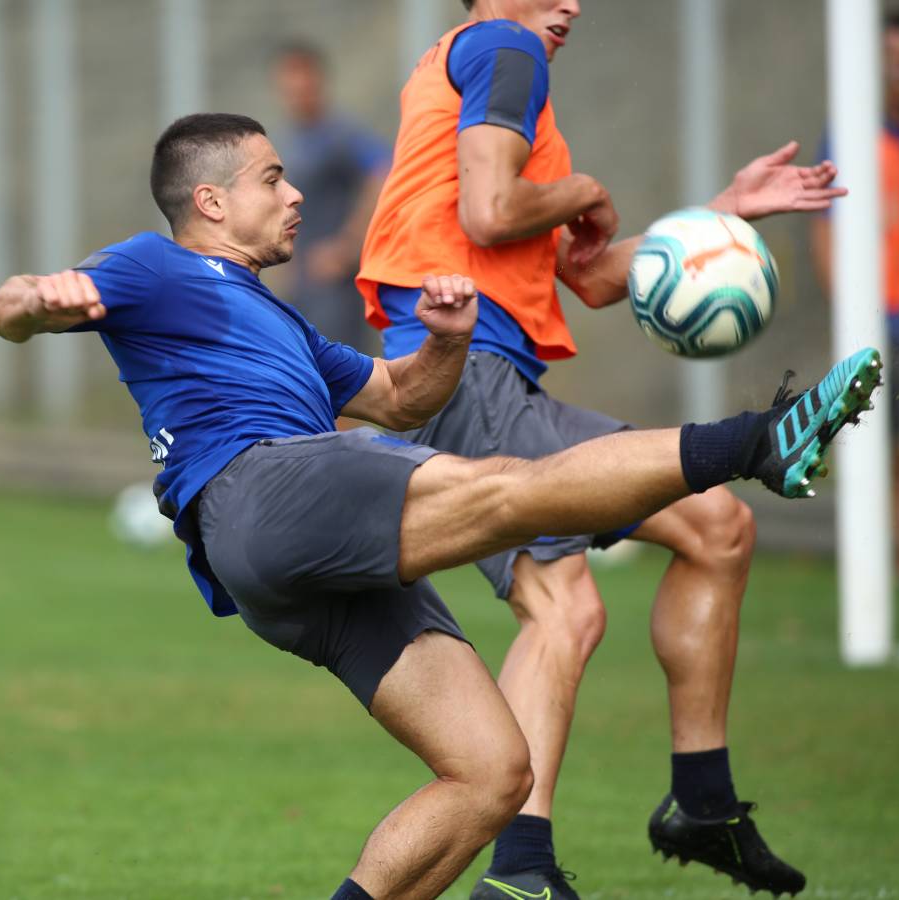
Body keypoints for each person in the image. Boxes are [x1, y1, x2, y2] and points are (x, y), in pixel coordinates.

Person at [0, 112, 879, 900]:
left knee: (492, 774)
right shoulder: (155, 264)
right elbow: (10, 308)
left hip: (289, 563)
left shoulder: (284, 324)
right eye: (271, 178)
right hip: (260, 486)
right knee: (505, 491)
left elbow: (402, 398)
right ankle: (763, 440)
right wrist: (36, 299)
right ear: (211, 202)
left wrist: (447, 343)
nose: (296, 194)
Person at [355, 2, 849, 898]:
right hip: (462, 369)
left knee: (716, 527)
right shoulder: (503, 48)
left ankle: (701, 803)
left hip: (486, 374)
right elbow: (493, 208)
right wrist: (581, 190)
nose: (572, 3)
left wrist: (722, 217)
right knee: (563, 605)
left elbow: (585, 276)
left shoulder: (485, 72)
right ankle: (520, 870)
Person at [810, 9, 899, 577]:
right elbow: (825, 226)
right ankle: (890, 572)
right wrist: (852, 315)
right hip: (882, 325)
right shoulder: (852, 132)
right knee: (886, 458)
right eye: (892, 60)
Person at [272, 40, 391, 351]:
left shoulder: (341, 133)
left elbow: (382, 173)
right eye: (289, 84)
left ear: (318, 81)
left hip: (336, 287)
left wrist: (347, 246)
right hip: (301, 285)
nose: (297, 91)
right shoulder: (289, 139)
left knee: (338, 375)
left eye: (303, 81)